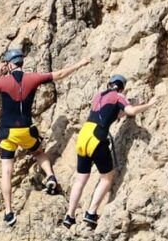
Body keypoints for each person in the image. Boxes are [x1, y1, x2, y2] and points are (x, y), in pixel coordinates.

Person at [0, 49, 91, 226]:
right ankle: (50, 176)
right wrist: (81, 62)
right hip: (25, 129)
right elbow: (60, 74)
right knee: (39, 152)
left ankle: (9, 212)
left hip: (7, 132)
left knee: (6, 172)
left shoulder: (3, 82)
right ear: (21, 63)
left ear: (9, 64)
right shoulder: (32, 78)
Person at [64, 75, 157, 229]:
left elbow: (113, 113)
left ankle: (69, 216)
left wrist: (127, 108)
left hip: (84, 134)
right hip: (97, 137)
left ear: (109, 84)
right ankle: (91, 214)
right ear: (122, 87)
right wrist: (149, 104)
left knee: (80, 179)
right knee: (107, 177)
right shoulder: (119, 96)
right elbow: (130, 111)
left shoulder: (98, 96)